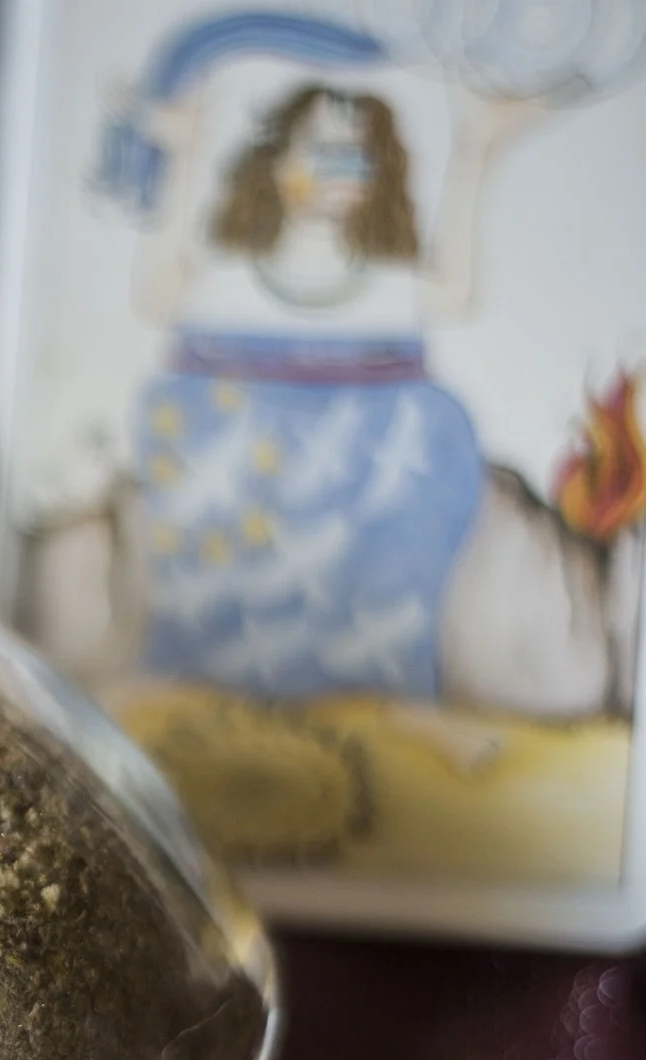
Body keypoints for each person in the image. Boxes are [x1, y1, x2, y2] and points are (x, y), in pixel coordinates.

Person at [124, 75, 538, 701]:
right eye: (316, 147)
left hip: (365, 479)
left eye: (354, 154)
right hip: (240, 475)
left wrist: (476, 148)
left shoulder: (380, 279)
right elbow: (160, 296)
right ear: (278, 158)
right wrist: (183, 154)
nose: (333, 170)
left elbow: (455, 294)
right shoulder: (237, 272)